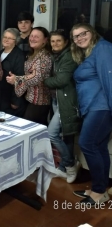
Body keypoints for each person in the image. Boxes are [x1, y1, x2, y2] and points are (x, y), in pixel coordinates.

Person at [70, 23, 112, 205]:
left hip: (101, 106)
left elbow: (109, 79)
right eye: (75, 36)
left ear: (91, 32)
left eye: (83, 33)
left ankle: (98, 191)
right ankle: (100, 188)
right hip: (92, 106)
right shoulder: (91, 53)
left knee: (86, 143)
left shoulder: (103, 48)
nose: (79, 38)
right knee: (100, 147)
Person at [43, 29, 81, 183]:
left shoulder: (69, 57)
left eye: (59, 41)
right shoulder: (56, 56)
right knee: (65, 134)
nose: (55, 44)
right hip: (56, 99)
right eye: (53, 41)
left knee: (51, 133)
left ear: (66, 42)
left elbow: (61, 80)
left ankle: (71, 164)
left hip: (67, 101)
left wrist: (43, 80)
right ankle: (65, 166)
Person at [6, 27, 52, 125]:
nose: (32, 38)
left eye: (36, 37)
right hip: (30, 99)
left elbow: (37, 78)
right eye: (31, 36)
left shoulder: (44, 56)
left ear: (45, 40)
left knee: (30, 128)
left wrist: (16, 79)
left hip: (40, 102)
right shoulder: (32, 54)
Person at [0, 28, 26, 117]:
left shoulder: (19, 56)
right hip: (0, 96)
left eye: (10, 38)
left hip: (10, 99)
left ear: (16, 41)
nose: (6, 40)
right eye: (5, 37)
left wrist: (16, 100)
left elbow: (20, 78)